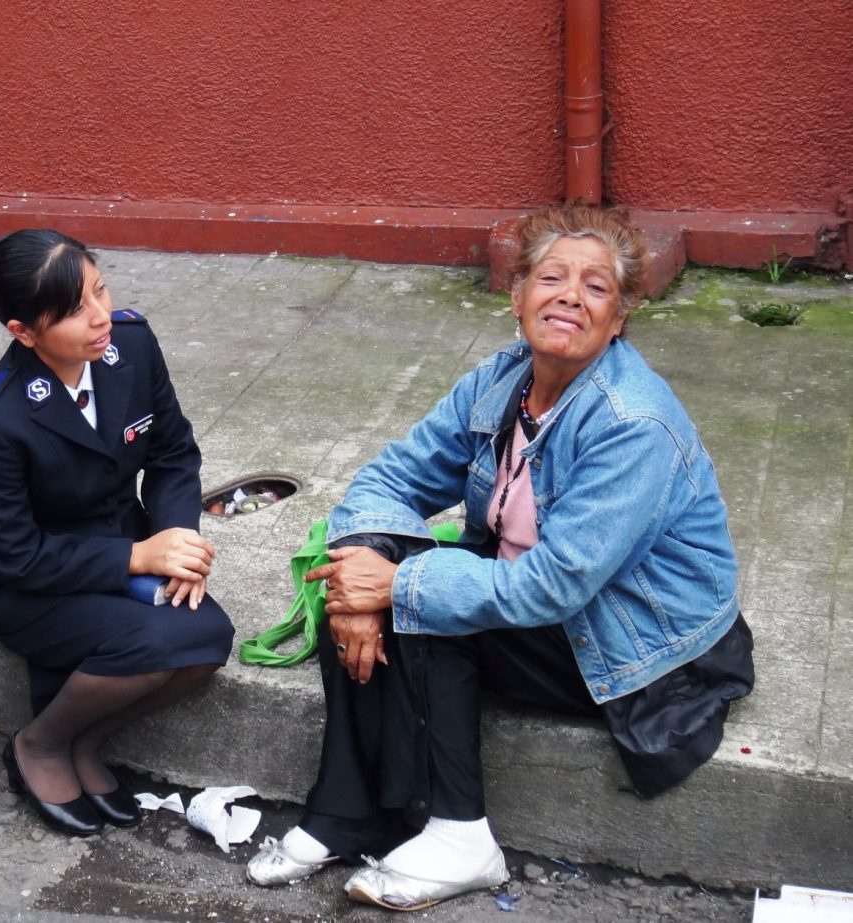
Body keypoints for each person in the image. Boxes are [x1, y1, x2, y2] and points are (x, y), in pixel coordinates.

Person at [245, 204, 754, 910]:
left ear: (620, 316)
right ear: (517, 297)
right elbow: (391, 477)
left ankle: (461, 836)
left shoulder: (632, 422)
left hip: (642, 646)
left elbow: (555, 585)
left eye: (597, 287)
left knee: (423, 602)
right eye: (551, 277)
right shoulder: (502, 379)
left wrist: (401, 583)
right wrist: (364, 563)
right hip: (553, 606)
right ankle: (343, 811)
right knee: (356, 581)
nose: (570, 295)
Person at [0, 229, 234, 837]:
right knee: (153, 644)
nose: (100, 317)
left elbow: (172, 453)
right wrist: (137, 556)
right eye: (74, 311)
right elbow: (17, 554)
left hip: (129, 547)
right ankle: (40, 743)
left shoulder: (131, 345)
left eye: (101, 291)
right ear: (23, 333)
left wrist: (175, 540)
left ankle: (88, 740)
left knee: (209, 637)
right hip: (32, 585)